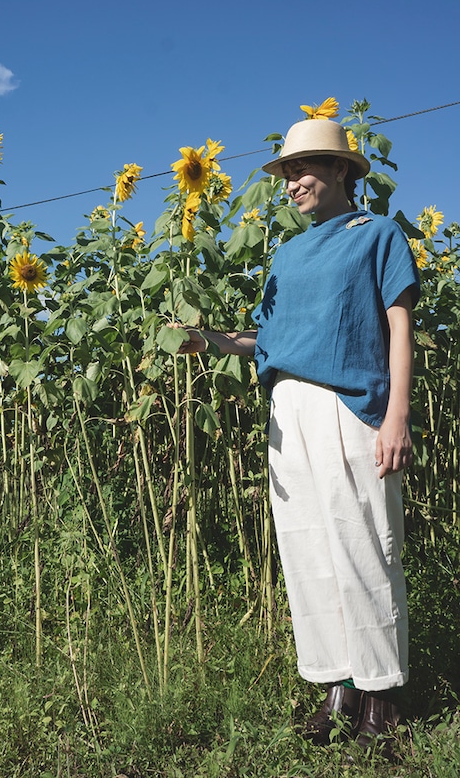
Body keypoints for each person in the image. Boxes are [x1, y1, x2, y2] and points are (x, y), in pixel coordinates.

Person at [174, 118, 420, 755]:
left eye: (304, 171)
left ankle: (381, 697)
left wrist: (397, 415)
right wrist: (207, 340)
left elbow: (399, 327)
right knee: (309, 552)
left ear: (341, 171)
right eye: (286, 174)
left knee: (365, 547)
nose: (292, 184)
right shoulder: (286, 255)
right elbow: (269, 342)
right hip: (289, 409)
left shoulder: (377, 236)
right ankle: (335, 688)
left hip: (352, 409)